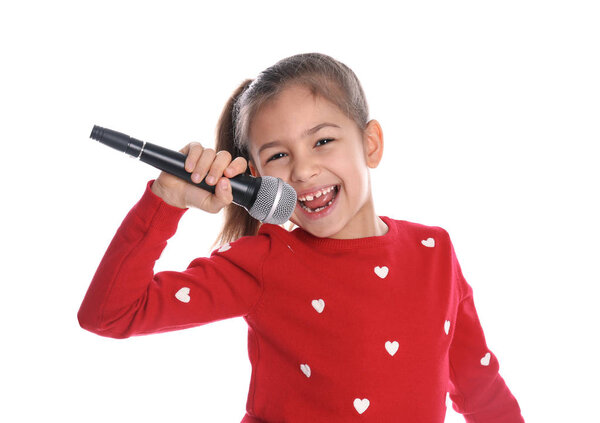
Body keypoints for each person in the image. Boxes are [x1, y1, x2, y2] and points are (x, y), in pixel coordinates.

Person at [78, 53, 525, 422]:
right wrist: (165, 201)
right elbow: (110, 314)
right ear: (257, 180)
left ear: (370, 143)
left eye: (323, 141)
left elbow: (478, 386)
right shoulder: (263, 261)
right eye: (277, 155)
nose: (304, 170)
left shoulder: (435, 252)